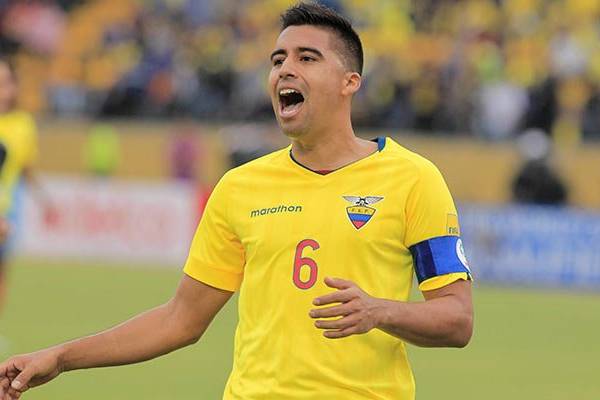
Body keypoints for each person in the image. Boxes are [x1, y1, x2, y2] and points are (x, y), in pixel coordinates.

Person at [0, 3, 473, 399]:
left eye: (307, 58)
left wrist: (381, 310)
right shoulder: (240, 187)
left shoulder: (413, 178)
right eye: (277, 59)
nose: (285, 69)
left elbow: (456, 319)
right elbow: (179, 320)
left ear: (350, 81)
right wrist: (62, 357)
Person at [0, 57, 55, 316]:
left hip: (6, 212)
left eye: (5, 83)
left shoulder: (23, 124)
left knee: (2, 273)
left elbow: (26, 169)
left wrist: (44, 200)